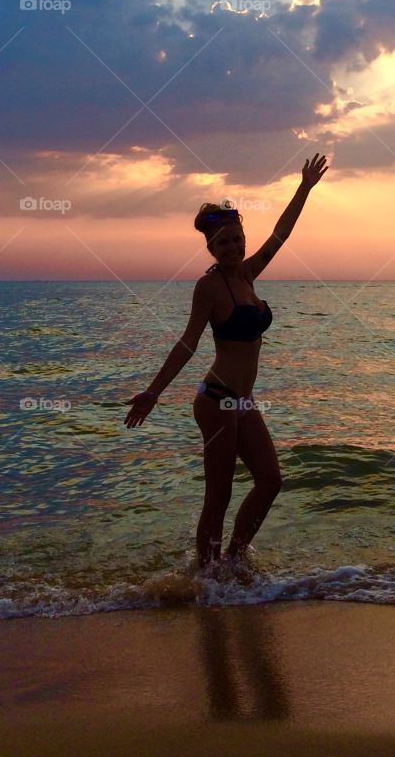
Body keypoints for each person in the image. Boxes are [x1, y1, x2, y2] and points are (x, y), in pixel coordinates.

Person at [124, 153, 330, 570]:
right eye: (223, 243)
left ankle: (234, 560)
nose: (233, 247)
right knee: (217, 495)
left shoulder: (248, 276)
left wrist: (304, 188)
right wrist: (153, 392)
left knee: (270, 481)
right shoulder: (209, 287)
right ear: (211, 248)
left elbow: (281, 234)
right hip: (217, 402)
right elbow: (187, 343)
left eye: (237, 239)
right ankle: (207, 578)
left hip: (244, 403)